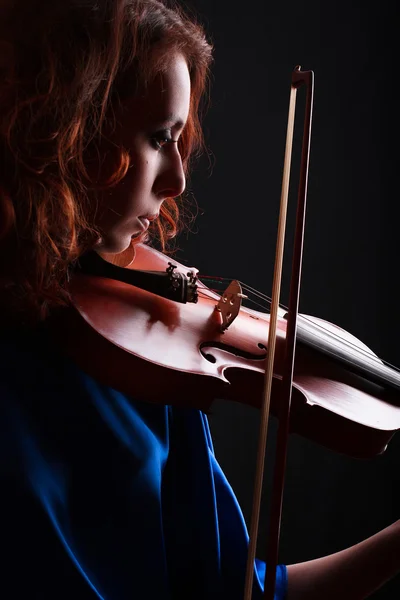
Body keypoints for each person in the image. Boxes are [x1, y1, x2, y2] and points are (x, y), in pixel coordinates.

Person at [0, 1, 398, 599]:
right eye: (160, 137)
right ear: (61, 129)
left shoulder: (149, 360)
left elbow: (243, 593)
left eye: (181, 138)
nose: (178, 180)